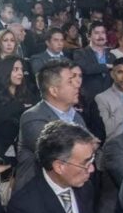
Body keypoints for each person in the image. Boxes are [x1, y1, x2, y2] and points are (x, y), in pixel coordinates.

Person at [15, 60, 86, 191]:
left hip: (70, 189)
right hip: (37, 193)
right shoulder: (32, 117)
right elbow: (59, 152)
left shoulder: (77, 117)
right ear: (54, 90)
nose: (77, 85)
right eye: (70, 81)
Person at [0, 56, 37, 160]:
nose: (20, 73)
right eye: (16, 69)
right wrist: (18, 106)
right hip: (0, 147)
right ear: (5, 71)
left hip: (25, 146)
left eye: (21, 70)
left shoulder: (27, 93)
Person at [95, 58, 123, 140]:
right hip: (113, 146)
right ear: (112, 74)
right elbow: (105, 130)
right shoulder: (101, 98)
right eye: (120, 72)